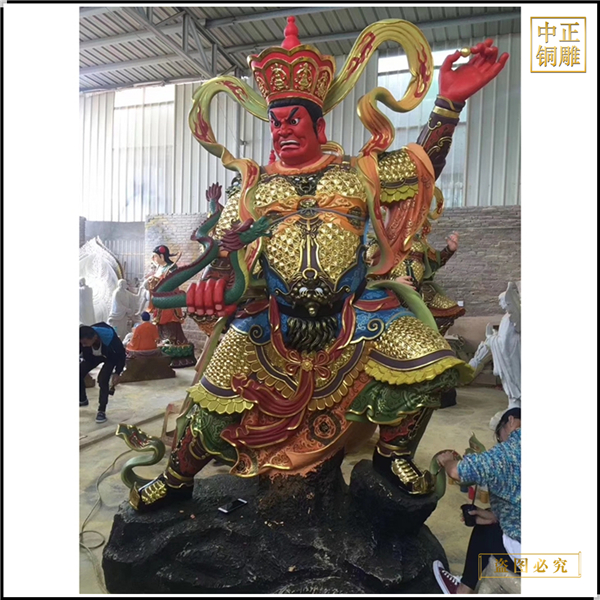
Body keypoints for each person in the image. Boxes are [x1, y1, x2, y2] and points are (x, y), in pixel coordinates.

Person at [125, 17, 508, 511]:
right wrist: (211, 289)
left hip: (357, 314)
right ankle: (177, 477)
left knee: (428, 361)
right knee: (211, 399)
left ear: (318, 125)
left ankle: (392, 455)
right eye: (276, 122)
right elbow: (222, 256)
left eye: (293, 120)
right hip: (272, 319)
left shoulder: (358, 173)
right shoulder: (252, 187)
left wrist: (448, 104)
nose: (282, 130)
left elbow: (421, 165)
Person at [432, 407, 521, 594]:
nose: (501, 442)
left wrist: (447, 460)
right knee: (489, 519)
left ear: (511, 421)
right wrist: (496, 516)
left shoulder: (509, 452)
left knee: (485, 532)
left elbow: (456, 472)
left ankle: (462, 590)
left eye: (500, 436)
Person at [145, 245, 195, 367]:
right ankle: (161, 340)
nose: (154, 259)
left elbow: (172, 283)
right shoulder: (159, 268)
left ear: (162, 256)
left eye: (155, 256)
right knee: (159, 323)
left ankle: (172, 341)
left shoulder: (172, 268)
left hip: (169, 299)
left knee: (169, 321)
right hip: (159, 298)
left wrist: (159, 280)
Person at [80, 323, 127, 423]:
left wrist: (117, 372)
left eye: (85, 343)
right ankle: (82, 399)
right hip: (92, 356)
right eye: (81, 343)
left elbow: (121, 355)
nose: (83, 345)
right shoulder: (84, 337)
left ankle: (101, 410)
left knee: (102, 380)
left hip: (110, 356)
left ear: (94, 337)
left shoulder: (112, 340)